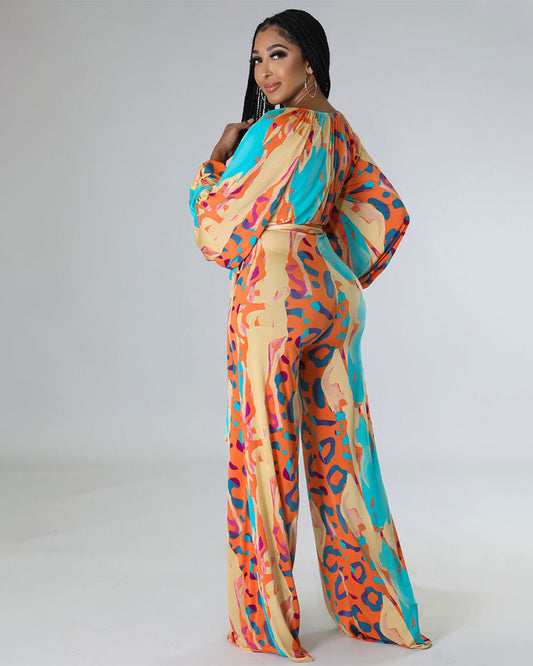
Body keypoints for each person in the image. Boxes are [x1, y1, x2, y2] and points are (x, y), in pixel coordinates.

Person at [189, 8, 432, 663]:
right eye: (256, 60)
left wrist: (214, 161)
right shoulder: (338, 127)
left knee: (263, 456)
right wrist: (335, 267)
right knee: (344, 455)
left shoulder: (277, 130)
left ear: (309, 61)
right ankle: (376, 611)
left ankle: (266, 624)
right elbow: (385, 211)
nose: (264, 72)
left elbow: (216, 228)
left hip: (273, 301)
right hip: (333, 295)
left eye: (277, 55)